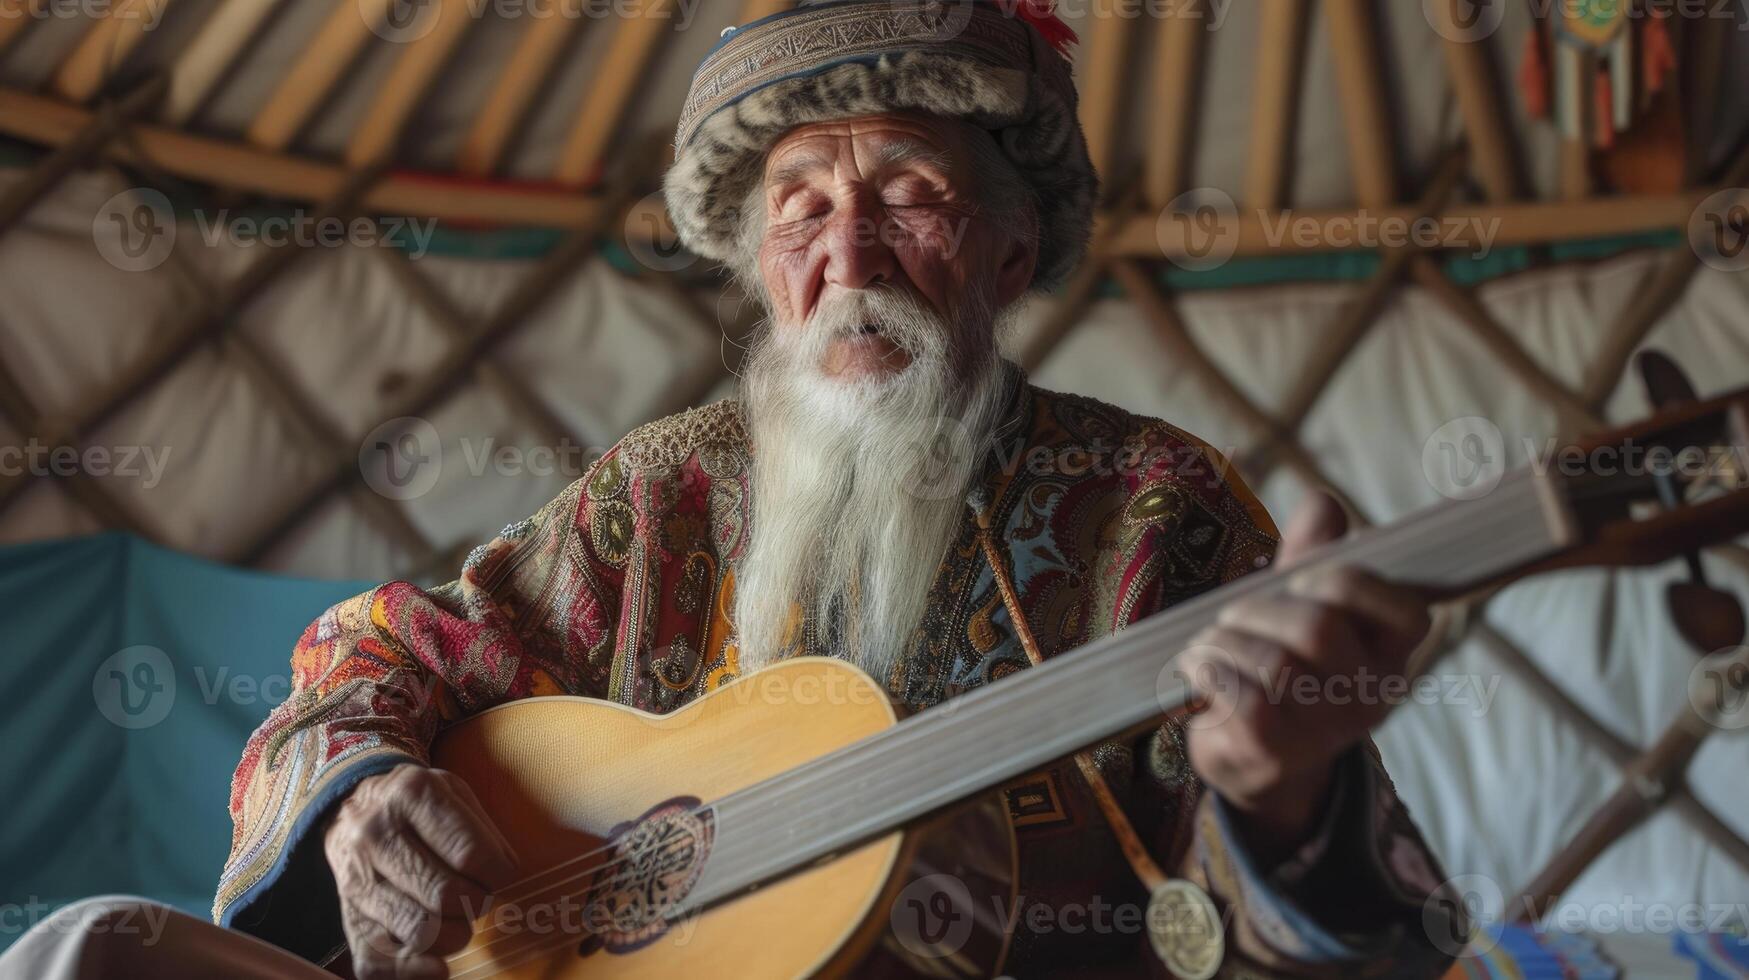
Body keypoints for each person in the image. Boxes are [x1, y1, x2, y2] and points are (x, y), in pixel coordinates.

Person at [1, 2, 1465, 977]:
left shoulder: (1153, 510)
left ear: (1008, 257)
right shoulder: (662, 500)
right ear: (765, 272)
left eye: (906, 195)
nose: (851, 256)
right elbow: (375, 656)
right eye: (804, 213)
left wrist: (1285, 795)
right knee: (91, 954)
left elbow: (1358, 936)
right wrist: (365, 801)